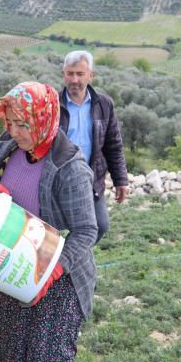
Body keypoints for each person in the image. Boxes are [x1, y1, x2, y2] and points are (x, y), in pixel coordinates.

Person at [0, 82, 98, 362]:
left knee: (50, 351)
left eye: (23, 124)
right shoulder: (8, 145)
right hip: (14, 257)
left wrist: (52, 272)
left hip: (61, 271)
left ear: (43, 120)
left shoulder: (69, 167)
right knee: (1, 332)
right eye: (10, 122)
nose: (14, 132)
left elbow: (87, 230)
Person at [59, 50, 129, 243]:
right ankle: (59, 266)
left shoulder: (104, 104)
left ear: (91, 75)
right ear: (63, 73)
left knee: (100, 226)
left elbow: (113, 145)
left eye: (80, 74)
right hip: (59, 181)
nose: (74, 79)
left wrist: (120, 179)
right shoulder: (53, 105)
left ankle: (69, 263)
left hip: (91, 181)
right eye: (70, 73)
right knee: (56, 229)